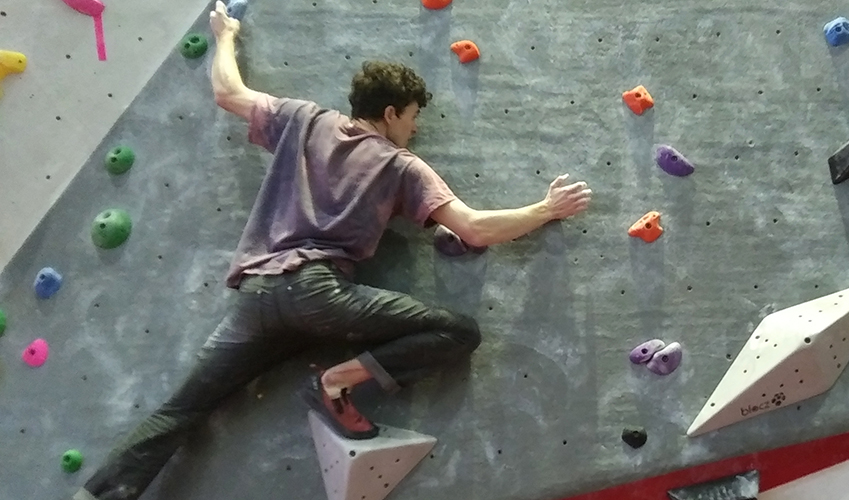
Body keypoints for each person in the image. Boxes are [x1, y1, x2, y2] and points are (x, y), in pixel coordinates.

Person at [73, 2, 593, 499]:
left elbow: (228, 92)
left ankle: (94, 495)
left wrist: (225, 37)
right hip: (319, 294)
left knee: (183, 408)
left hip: (256, 301)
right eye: (412, 118)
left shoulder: (301, 119)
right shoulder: (400, 164)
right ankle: (338, 380)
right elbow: (474, 229)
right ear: (390, 113)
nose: (414, 129)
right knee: (457, 331)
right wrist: (545, 209)